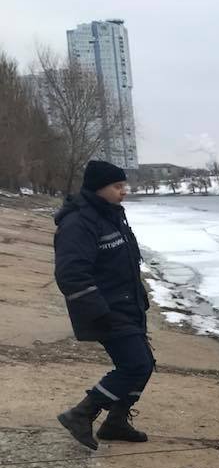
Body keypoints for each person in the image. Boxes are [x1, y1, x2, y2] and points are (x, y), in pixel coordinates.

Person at [54, 160, 153, 451]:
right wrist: (97, 310)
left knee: (143, 365)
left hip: (128, 305)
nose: (124, 191)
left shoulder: (112, 215)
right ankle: (81, 413)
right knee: (135, 365)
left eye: (124, 185)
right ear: (99, 188)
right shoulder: (79, 222)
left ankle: (116, 422)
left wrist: (140, 297)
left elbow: (125, 263)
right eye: (117, 186)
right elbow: (71, 273)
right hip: (105, 309)